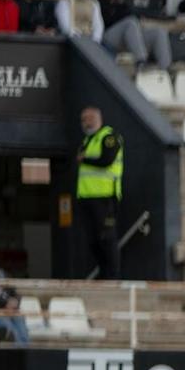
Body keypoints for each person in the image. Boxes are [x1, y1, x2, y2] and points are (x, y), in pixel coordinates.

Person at [75, 105, 122, 279]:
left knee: (107, 238)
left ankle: (113, 276)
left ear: (96, 118)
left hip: (105, 198)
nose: (84, 123)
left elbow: (107, 160)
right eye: (82, 120)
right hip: (87, 197)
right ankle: (104, 274)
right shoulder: (87, 141)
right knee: (93, 240)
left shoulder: (109, 137)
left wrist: (85, 159)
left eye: (87, 119)